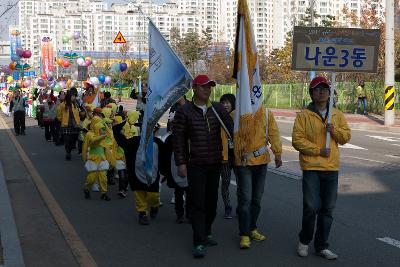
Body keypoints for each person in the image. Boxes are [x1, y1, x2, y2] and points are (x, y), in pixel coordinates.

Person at [173, 74, 233, 258]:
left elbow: (231, 128)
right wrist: (181, 163)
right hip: (195, 164)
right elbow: (179, 140)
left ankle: (206, 232)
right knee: (198, 204)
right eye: (203, 87)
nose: (207, 90)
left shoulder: (216, 109)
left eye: (209, 87)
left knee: (212, 204)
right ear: (194, 89)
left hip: (215, 162)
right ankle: (198, 241)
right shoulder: (185, 111)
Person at [292, 76, 351, 260]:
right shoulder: (303, 116)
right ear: (312, 93)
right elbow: (297, 141)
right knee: (311, 206)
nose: (322, 91)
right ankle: (304, 239)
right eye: (318, 89)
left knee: (327, 209)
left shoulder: (337, 114)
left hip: (331, 168)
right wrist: (318, 150)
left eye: (325, 88)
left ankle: (322, 245)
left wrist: (335, 131)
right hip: (311, 167)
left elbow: (346, 137)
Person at [234, 103, 282, 250]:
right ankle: (244, 234)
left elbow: (273, 133)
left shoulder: (266, 113)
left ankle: (252, 228)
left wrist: (278, 152)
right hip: (243, 163)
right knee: (245, 199)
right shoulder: (237, 113)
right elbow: (228, 135)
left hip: (262, 161)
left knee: (256, 199)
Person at [219, 93, 236, 219]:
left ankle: (242, 207)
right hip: (225, 157)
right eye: (223, 102)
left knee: (242, 184)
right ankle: (228, 207)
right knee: (225, 183)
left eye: (228, 102)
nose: (225, 105)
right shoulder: (218, 118)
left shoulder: (239, 117)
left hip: (238, 156)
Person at [57, 87, 81, 160]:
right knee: (67, 140)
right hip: (66, 125)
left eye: (74, 96)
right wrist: (63, 121)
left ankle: (69, 150)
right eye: (72, 96)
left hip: (75, 125)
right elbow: (59, 115)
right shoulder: (62, 105)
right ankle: (68, 153)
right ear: (69, 96)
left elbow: (78, 115)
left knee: (72, 140)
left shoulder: (75, 104)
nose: (74, 97)